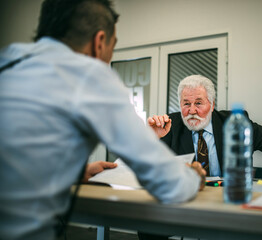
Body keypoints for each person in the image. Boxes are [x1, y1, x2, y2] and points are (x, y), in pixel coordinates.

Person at [0, 1, 205, 239]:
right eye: (113, 47)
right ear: (99, 43)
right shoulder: (89, 75)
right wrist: (193, 176)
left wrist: (78, 173)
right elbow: (168, 184)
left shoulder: (8, 60)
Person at [148, 74, 262, 183]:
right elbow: (147, 167)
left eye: (199, 103)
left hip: (230, 199)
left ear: (212, 105)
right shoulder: (170, 125)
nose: (192, 110)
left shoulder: (235, 124)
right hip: (186, 201)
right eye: (186, 103)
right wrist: (152, 137)